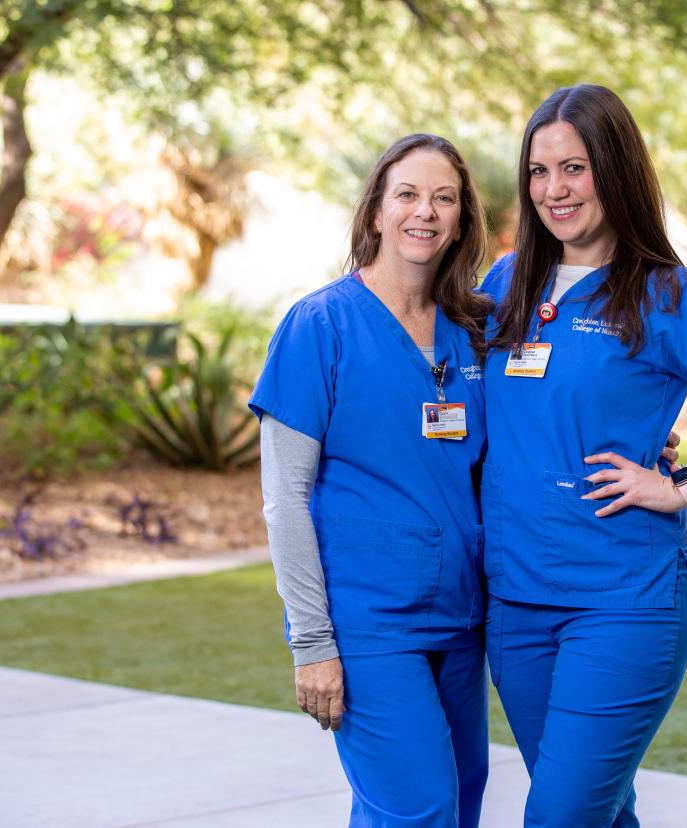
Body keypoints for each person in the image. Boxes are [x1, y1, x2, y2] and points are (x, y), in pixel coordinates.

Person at [479, 84, 687, 827]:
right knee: (600, 812)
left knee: (560, 818)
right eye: (539, 171)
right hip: (517, 602)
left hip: (625, 598)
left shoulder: (667, 294)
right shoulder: (505, 283)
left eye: (575, 168)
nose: (554, 190)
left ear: (616, 168)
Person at [249, 134, 493, 828]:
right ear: (378, 212)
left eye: (444, 198)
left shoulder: (472, 330)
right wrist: (312, 643)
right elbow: (284, 499)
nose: (427, 212)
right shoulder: (318, 325)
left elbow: (539, 426)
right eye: (409, 195)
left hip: (462, 618)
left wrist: (639, 435)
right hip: (369, 625)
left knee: (459, 798)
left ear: (461, 218)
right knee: (420, 808)